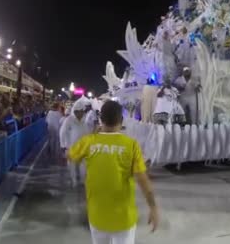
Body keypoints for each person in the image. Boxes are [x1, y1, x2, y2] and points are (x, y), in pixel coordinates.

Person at [68, 100, 159, 244]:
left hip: (97, 216)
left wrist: (94, 136)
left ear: (100, 119)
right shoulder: (131, 145)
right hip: (124, 218)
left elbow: (71, 155)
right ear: (121, 120)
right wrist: (153, 208)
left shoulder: (89, 142)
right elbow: (143, 180)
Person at [60, 97, 91, 187]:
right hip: (71, 147)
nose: (81, 113)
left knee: (83, 165)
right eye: (80, 112)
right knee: (72, 165)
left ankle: (82, 180)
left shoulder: (84, 120)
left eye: (82, 111)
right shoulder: (69, 120)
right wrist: (63, 145)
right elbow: (62, 132)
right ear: (76, 112)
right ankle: (74, 181)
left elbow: (87, 132)